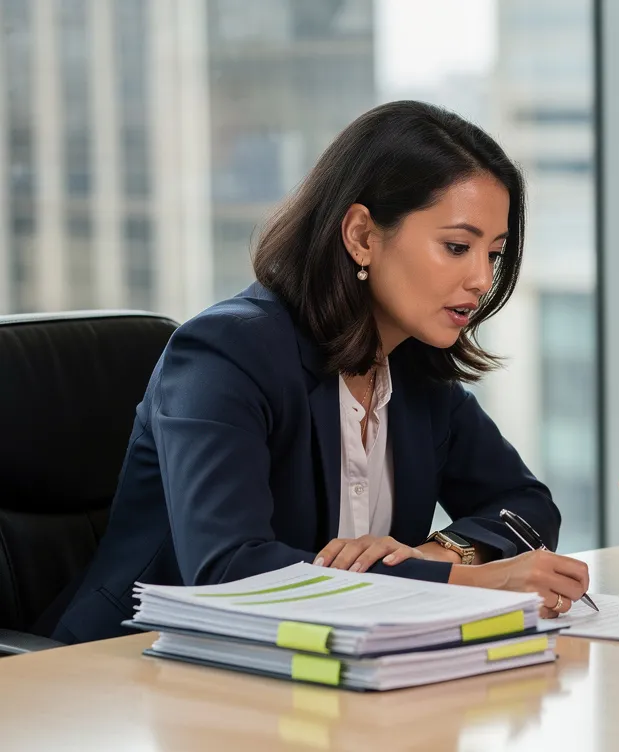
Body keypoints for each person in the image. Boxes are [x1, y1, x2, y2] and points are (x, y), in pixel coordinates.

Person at [52, 101, 589, 644]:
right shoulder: (224, 354)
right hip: (129, 675)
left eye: (494, 254)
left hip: (314, 676)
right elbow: (229, 571)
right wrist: (461, 582)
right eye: (457, 247)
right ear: (361, 235)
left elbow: (527, 506)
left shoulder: (414, 372)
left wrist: (438, 551)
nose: (481, 279)